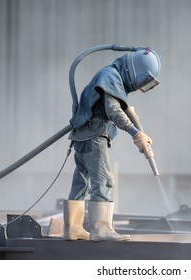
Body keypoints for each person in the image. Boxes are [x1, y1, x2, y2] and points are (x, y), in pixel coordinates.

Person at [63, 47, 161, 241]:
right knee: (104, 180)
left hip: (82, 136)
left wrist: (137, 129)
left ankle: (73, 229)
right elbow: (114, 110)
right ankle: (102, 230)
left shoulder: (110, 75)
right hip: (94, 136)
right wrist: (135, 133)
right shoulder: (111, 76)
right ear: (136, 70)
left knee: (81, 182)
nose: (140, 85)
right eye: (142, 80)